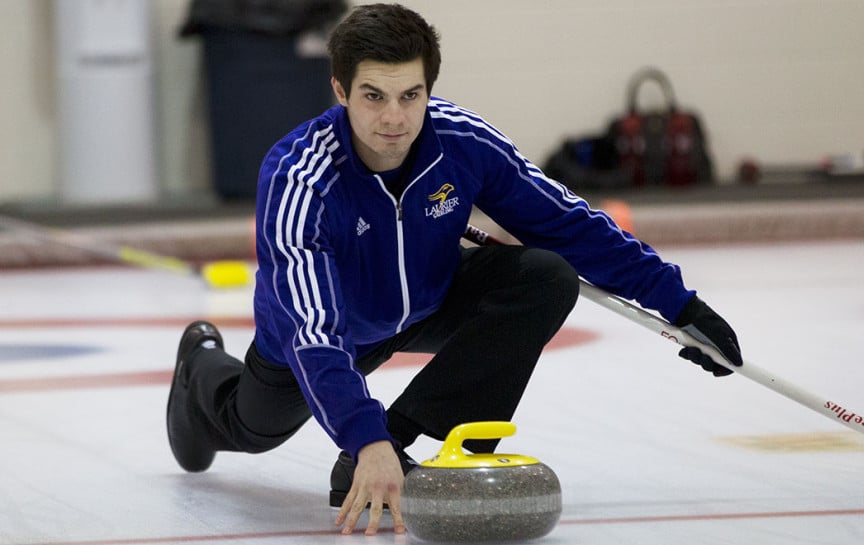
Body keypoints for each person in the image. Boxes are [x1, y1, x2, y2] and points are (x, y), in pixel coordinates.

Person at [166, 2, 742, 537]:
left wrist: (682, 306)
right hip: (323, 333)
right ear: (340, 89)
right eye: (373, 96)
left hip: (429, 302)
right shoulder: (301, 177)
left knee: (543, 277)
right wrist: (363, 439)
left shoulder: (461, 142)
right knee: (251, 431)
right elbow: (314, 329)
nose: (394, 118)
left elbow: (570, 224)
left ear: (429, 89)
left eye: (410, 96)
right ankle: (199, 370)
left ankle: (417, 439)